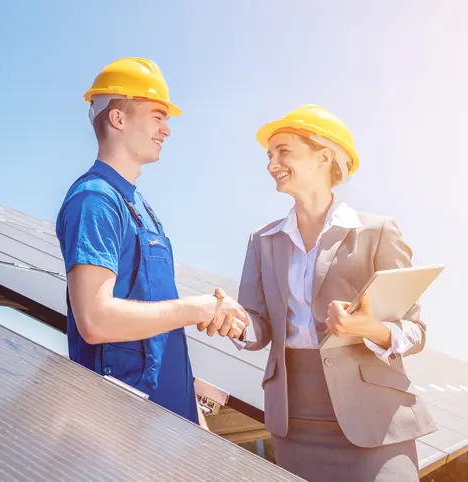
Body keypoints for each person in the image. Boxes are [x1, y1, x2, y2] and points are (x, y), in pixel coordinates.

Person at [225, 104, 436, 481]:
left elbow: (415, 332)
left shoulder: (378, 232)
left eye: (283, 151)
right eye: (269, 155)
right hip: (296, 421)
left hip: (375, 419)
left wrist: (369, 329)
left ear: (324, 157)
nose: (272, 163)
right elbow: (259, 326)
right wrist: (237, 323)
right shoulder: (262, 241)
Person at [56, 57, 248, 424]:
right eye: (158, 117)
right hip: (120, 422)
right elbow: (95, 320)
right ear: (118, 119)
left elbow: (155, 321)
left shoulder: (140, 207)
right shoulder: (95, 200)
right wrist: (199, 308)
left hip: (166, 415)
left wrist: (192, 407)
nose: (167, 130)